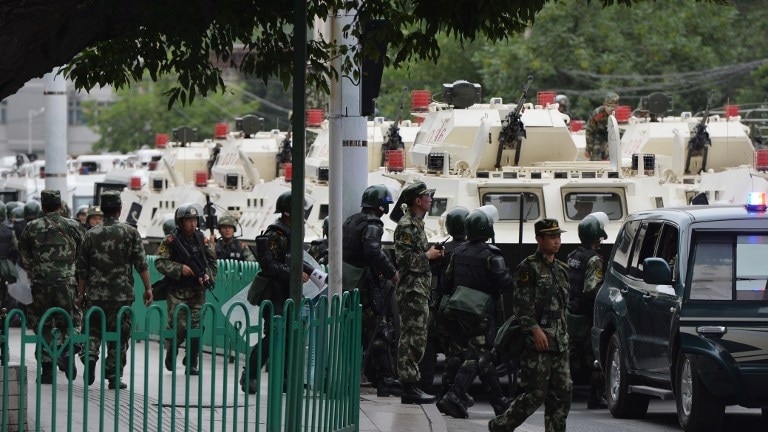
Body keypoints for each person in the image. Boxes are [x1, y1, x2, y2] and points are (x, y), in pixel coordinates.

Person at [489, 218, 571, 432]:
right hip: (539, 341)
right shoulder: (528, 268)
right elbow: (521, 306)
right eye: (552, 237)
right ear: (538, 239)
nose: (557, 241)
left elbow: (563, 307)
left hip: (559, 341)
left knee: (562, 394)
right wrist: (535, 331)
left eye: (558, 236)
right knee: (534, 394)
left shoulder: (561, 270)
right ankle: (501, 425)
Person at [436, 205, 513, 419]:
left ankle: (500, 402)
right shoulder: (492, 255)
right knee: (480, 355)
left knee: (475, 357)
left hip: (458, 310)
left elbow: (446, 282)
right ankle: (454, 394)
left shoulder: (458, 252)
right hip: (481, 313)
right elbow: (505, 283)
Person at [76, 191, 153, 389]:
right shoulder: (130, 232)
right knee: (120, 335)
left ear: (103, 210)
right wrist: (148, 288)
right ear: (119, 210)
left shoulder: (90, 234)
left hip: (95, 295)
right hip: (122, 295)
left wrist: (80, 295)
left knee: (93, 330)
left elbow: (82, 270)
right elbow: (141, 264)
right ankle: (113, 376)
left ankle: (91, 356)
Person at [240, 190, 310, 393]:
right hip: (275, 294)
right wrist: (294, 274)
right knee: (273, 337)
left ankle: (286, 379)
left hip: (291, 294)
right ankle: (251, 374)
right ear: (288, 212)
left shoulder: (295, 232)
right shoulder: (275, 235)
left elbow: (296, 258)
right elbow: (268, 265)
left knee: (291, 336)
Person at [18, 189, 85, 384]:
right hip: (67, 283)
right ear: (60, 204)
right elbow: (83, 254)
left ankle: (47, 370)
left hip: (41, 284)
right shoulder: (73, 226)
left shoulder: (31, 227)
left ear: (43, 205)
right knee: (71, 322)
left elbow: (25, 256)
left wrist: (37, 270)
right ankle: (67, 351)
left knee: (43, 323)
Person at [342, 185, 400, 397]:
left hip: (348, 285)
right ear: (380, 206)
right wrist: (392, 272)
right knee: (379, 331)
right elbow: (373, 251)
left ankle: (362, 376)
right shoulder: (373, 223)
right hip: (365, 286)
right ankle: (384, 378)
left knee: (354, 333)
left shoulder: (351, 221)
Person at [390, 181, 443, 404]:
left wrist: (433, 254)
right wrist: (427, 256)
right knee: (412, 337)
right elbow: (403, 260)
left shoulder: (417, 224)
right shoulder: (407, 226)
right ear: (417, 201)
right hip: (412, 290)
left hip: (419, 289)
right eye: (427, 195)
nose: (431, 198)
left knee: (418, 337)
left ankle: (413, 384)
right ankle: (409, 387)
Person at [155, 202, 218, 376]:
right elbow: (159, 262)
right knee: (179, 328)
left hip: (197, 292)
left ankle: (191, 362)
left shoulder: (201, 239)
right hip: (177, 291)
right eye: (188, 220)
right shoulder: (170, 241)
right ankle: (171, 350)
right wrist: (179, 269)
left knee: (197, 327)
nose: (192, 224)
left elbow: (213, 262)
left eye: (194, 220)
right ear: (180, 222)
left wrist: (208, 276)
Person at [420, 206, 469, 393]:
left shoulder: (440, 250)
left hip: (439, 306)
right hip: (463, 307)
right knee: (456, 351)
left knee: (430, 346)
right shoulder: (469, 251)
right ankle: (452, 392)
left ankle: (424, 387)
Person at [567, 212, 609, 409]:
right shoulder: (594, 260)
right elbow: (592, 288)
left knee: (570, 354)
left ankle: (562, 392)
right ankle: (595, 397)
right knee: (596, 356)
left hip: (571, 312)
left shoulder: (572, 256)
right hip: (586, 314)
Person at [585, 91, 619, 161]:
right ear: (604, 104)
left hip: (615, 138)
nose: (610, 109)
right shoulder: (599, 113)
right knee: (596, 153)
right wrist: (589, 148)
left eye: (613, 106)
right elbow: (590, 130)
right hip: (600, 136)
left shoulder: (620, 114)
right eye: (608, 106)